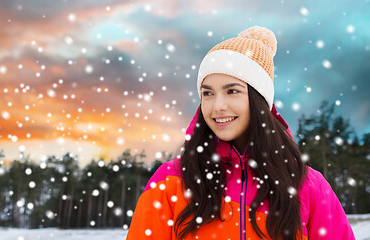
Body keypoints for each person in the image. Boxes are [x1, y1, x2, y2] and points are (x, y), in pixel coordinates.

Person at [126, 26, 355, 240]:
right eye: (208, 93)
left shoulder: (308, 185)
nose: (218, 106)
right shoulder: (171, 180)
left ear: (259, 101)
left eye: (232, 91)